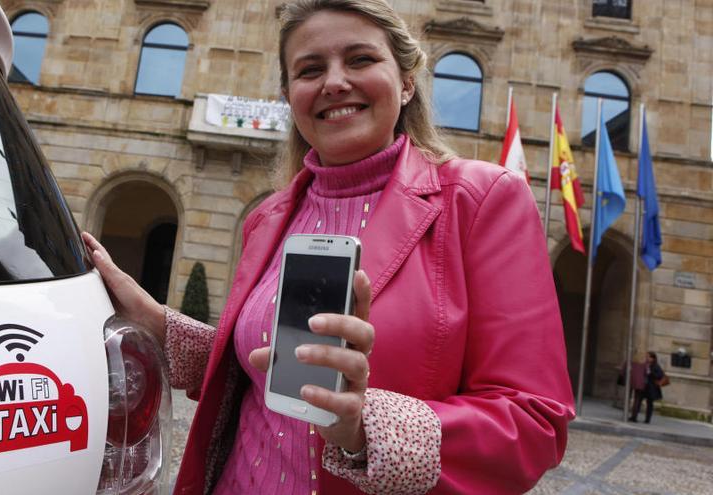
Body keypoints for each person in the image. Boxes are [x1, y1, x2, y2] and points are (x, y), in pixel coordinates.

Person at [82, 0, 574, 493]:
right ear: (290, 95)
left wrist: (366, 429)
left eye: (360, 60)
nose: (334, 82)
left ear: (406, 82)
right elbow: (263, 371)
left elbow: (534, 424)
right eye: (310, 69)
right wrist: (157, 325)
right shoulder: (267, 218)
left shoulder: (482, 199)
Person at [630, 352, 665, 424]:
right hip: (643, 386)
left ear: (653, 358)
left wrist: (650, 373)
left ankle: (647, 419)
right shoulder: (645, 364)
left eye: (648, 357)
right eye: (646, 356)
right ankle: (634, 417)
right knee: (638, 401)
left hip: (651, 388)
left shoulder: (656, 366)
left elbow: (660, 376)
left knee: (649, 403)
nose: (647, 358)